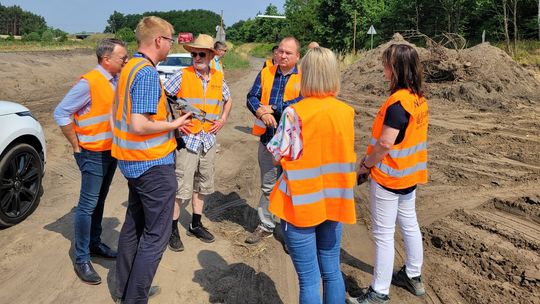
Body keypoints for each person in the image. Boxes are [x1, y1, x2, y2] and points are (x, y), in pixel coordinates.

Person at [267, 46, 357, 304]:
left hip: (301, 206)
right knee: (331, 271)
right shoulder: (346, 112)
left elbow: (277, 155)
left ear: (305, 75)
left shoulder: (294, 113)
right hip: (335, 202)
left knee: (308, 279)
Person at [112, 16, 192, 303]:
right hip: (151, 164)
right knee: (156, 236)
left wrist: (169, 122)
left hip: (132, 161)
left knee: (133, 225)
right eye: (170, 39)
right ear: (159, 40)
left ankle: (127, 290)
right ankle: (136, 297)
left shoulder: (129, 67)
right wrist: (174, 125)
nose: (171, 44)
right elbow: (139, 124)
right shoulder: (145, 73)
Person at [347, 44, 429, 304]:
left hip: (389, 178)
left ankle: (379, 292)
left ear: (396, 69)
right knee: (409, 224)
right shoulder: (418, 98)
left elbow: (385, 143)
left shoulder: (397, 104)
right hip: (409, 177)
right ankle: (413, 275)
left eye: (386, 64)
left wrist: (367, 165)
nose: (382, 68)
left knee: (383, 235)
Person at [53, 38, 128, 285]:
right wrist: (76, 145)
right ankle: (82, 257)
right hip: (92, 154)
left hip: (110, 152)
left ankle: (94, 244)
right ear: (106, 59)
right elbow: (61, 112)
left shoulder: (115, 81)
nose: (125, 61)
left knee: (99, 201)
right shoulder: (89, 83)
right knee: (87, 205)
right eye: (121, 58)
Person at [164, 34, 233, 248]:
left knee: (203, 184)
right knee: (181, 187)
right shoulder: (181, 75)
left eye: (201, 54)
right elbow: (163, 97)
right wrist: (175, 121)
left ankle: (195, 224)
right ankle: (172, 230)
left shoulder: (218, 78)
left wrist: (222, 119)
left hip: (208, 140)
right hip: (188, 139)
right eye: (193, 54)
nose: (196, 57)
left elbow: (228, 99)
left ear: (211, 55)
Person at [245, 37, 302, 244]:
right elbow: (251, 97)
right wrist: (261, 113)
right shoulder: (265, 73)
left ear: (297, 56)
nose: (283, 55)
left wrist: (275, 108)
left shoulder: (305, 77)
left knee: (292, 188)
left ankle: (290, 232)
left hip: (294, 144)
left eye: (288, 53)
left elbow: (303, 100)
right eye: (280, 51)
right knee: (268, 186)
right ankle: (266, 224)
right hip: (269, 140)